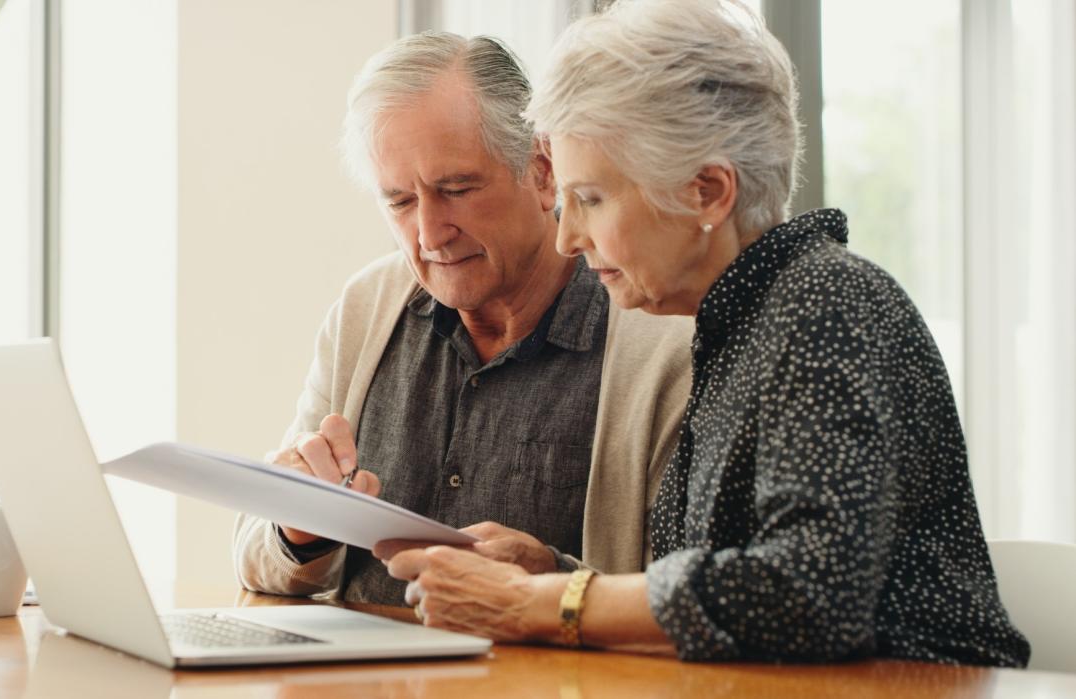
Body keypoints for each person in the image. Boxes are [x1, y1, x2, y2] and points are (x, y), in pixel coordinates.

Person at [378, 0, 1030, 667]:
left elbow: (809, 593)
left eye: (592, 199)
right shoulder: (741, 325)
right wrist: (552, 574)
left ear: (708, 192)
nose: (568, 237)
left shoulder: (828, 304)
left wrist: (537, 602)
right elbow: (713, 594)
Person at [232, 31, 694, 605]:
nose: (429, 234)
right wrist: (298, 530)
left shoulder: (659, 343)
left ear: (543, 169)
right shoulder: (367, 308)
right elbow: (253, 552)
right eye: (399, 201)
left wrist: (553, 580)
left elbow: (689, 597)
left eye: (455, 189)